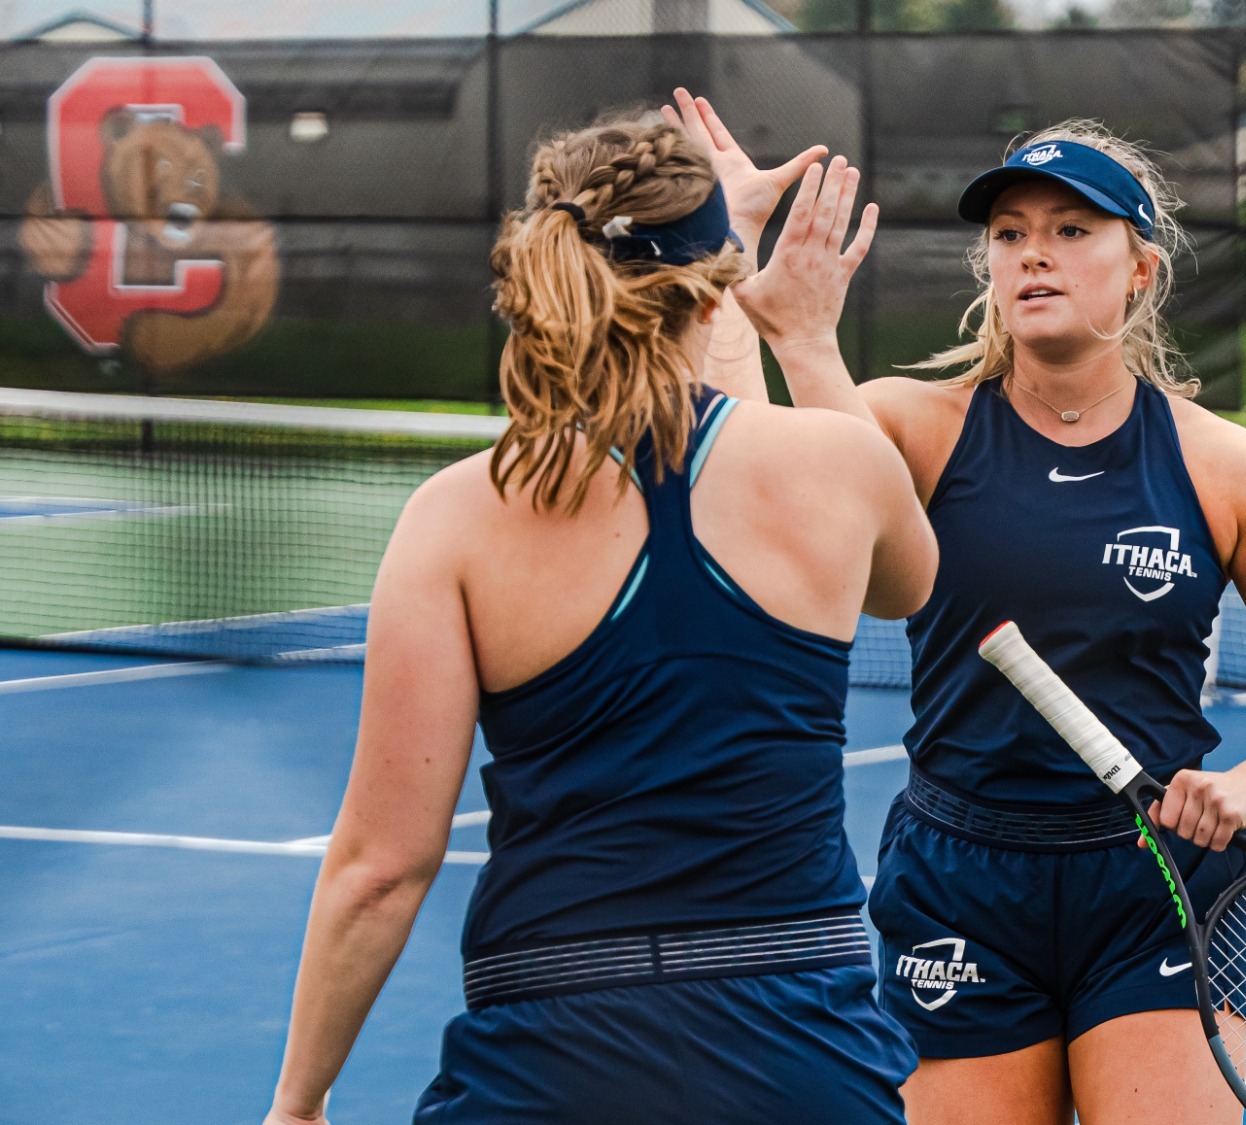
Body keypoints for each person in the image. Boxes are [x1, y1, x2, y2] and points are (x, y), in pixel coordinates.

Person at [692, 97, 1246, 1125]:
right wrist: (734, 268)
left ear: (1140, 265)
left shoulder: (1223, 466)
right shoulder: (907, 425)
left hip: (1154, 883)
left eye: (1070, 231)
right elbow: (735, 467)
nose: (1032, 256)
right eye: (1009, 234)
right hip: (959, 883)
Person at [261, 109, 936, 1125]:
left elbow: (379, 871)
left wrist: (298, 1105)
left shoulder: (459, 516)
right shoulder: (836, 470)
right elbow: (907, 584)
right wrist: (782, 321)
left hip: (552, 1054)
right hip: (802, 1056)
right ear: (711, 283)